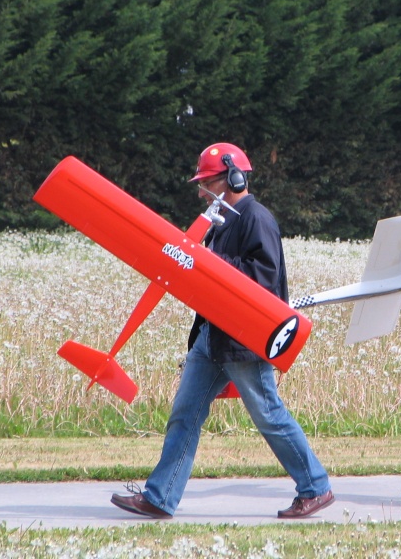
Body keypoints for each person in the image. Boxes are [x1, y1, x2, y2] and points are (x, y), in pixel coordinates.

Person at [111, 142, 334, 519]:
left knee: (268, 414)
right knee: (185, 413)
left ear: (232, 177)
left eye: (206, 182)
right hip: (212, 337)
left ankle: (316, 487)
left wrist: (208, 262)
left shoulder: (255, 218)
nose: (200, 191)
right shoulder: (221, 220)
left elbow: (263, 278)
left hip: (243, 340)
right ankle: (160, 497)